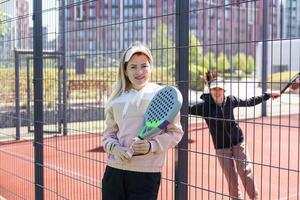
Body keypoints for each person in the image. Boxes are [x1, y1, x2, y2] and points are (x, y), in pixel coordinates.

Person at [102, 42, 184, 200]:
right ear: (125, 70)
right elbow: (108, 136)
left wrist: (150, 146)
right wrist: (115, 149)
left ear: (151, 67)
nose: (139, 72)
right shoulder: (115, 99)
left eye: (144, 66)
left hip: (146, 175)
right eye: (133, 67)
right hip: (114, 171)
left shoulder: (162, 95)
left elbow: (175, 133)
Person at [189, 71, 280, 200]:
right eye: (214, 88)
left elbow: (249, 102)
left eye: (220, 88)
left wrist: (267, 95)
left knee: (245, 172)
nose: (217, 91)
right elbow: (185, 109)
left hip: (238, 142)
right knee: (231, 179)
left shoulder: (231, 100)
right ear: (210, 89)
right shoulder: (203, 107)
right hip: (221, 147)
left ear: (224, 90)